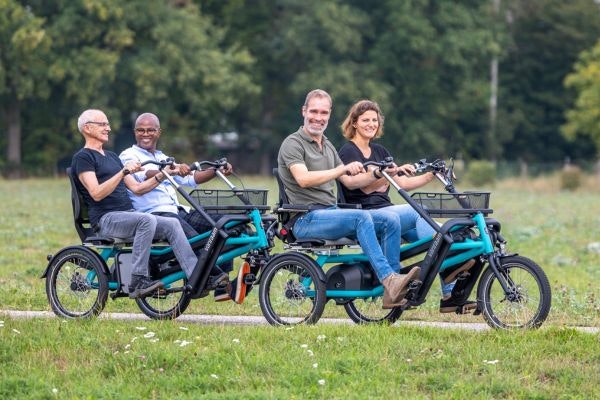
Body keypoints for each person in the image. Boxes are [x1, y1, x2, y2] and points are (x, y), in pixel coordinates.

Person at [277, 89, 421, 309]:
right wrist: (341, 170)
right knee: (361, 218)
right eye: (313, 111)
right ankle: (389, 279)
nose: (318, 117)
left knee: (391, 220)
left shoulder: (327, 145)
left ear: (329, 115)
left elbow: (350, 180)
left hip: (330, 212)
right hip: (304, 218)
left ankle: (393, 288)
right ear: (303, 111)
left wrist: (381, 172)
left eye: (323, 112)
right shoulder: (293, 143)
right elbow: (303, 179)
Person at [338, 99, 476, 313]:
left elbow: (402, 184)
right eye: (365, 120)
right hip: (365, 215)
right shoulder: (348, 152)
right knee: (419, 212)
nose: (371, 124)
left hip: (389, 212)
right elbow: (364, 187)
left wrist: (431, 175)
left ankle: (449, 292)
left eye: (375, 120)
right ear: (354, 123)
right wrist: (388, 174)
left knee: (433, 236)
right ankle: (437, 273)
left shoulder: (380, 151)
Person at [71, 109, 199, 299]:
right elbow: (96, 194)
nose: (108, 128)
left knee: (172, 223)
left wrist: (164, 174)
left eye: (108, 124)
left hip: (127, 215)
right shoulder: (84, 157)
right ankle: (138, 280)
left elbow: (137, 188)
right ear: (87, 128)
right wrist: (122, 172)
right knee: (146, 220)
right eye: (103, 124)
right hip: (106, 219)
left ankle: (195, 277)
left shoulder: (112, 157)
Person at [119, 113, 245, 303]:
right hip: (154, 215)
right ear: (134, 132)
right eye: (141, 130)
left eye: (150, 130)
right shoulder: (128, 155)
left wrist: (215, 170)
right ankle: (213, 277)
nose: (146, 134)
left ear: (158, 132)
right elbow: (143, 172)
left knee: (223, 223)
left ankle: (223, 285)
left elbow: (190, 179)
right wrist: (170, 170)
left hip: (178, 211)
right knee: (198, 240)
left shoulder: (162, 157)